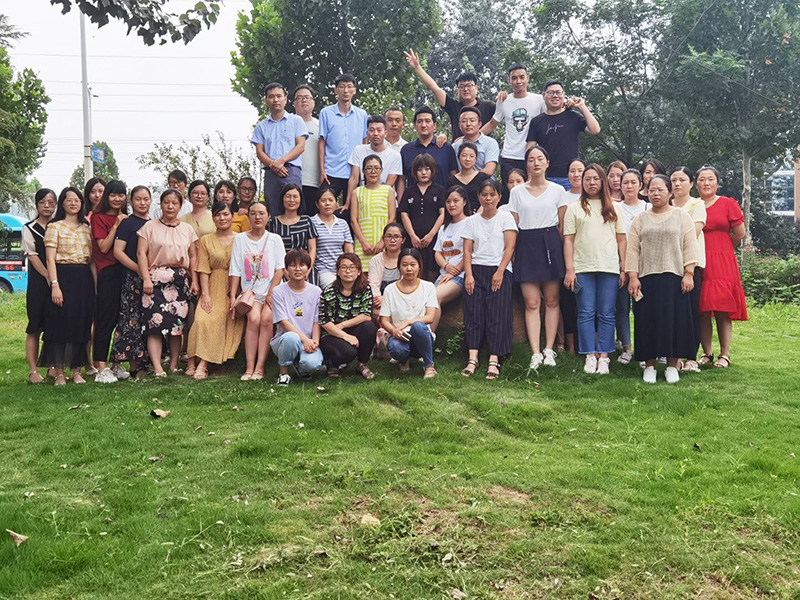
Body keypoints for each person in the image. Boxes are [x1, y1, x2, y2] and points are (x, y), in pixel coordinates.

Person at [627, 175, 699, 384]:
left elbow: (690, 245)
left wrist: (689, 273)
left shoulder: (681, 216)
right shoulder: (640, 219)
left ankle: (671, 366)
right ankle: (649, 366)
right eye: (652, 190)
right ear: (647, 193)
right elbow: (632, 249)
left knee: (674, 322)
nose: (656, 194)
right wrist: (633, 276)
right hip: (646, 278)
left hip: (674, 278)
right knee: (646, 321)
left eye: (660, 190)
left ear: (670, 192)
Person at [563, 163, 626, 375]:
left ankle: (604, 356)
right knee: (585, 312)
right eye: (587, 179)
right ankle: (589, 354)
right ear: (582, 182)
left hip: (609, 267)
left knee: (607, 313)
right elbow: (569, 240)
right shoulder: (574, 208)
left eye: (596, 178)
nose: (591, 183)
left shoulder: (615, 207)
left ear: (603, 181)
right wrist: (570, 269)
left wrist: (624, 268)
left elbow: (622, 239)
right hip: (582, 268)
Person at [509, 146, 568, 369]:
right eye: (531, 159)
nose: (536, 163)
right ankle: (535, 352)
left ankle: (549, 349)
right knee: (532, 302)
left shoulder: (558, 191)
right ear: (526, 164)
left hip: (551, 243)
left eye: (540, 159)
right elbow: (513, 225)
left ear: (547, 163)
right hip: (526, 243)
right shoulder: (517, 192)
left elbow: (562, 226)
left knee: (552, 300)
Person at [137, 189, 199, 377]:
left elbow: (193, 256)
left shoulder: (187, 229)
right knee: (154, 326)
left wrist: (194, 280)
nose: (170, 206)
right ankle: (157, 367)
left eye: (175, 203)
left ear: (180, 206)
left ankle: (173, 365)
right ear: (161, 204)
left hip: (180, 280)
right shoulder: (149, 226)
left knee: (176, 326)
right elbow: (141, 253)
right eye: (166, 202)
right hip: (155, 279)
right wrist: (146, 278)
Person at [461, 179, 518, 379]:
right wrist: (468, 275)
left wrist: (500, 271)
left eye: (492, 194)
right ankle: (473, 358)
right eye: (484, 194)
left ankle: (494, 359)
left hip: (499, 269)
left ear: (499, 197)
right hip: (476, 269)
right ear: (479, 197)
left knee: (498, 314)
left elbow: (510, 247)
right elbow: (467, 250)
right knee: (473, 313)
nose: (488, 198)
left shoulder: (506, 218)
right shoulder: (471, 221)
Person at [40, 187, 95, 385]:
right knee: (60, 324)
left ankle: (77, 371)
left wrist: (95, 285)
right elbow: (50, 259)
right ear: (62, 203)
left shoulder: (86, 227)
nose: (73, 203)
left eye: (77, 200)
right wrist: (55, 285)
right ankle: (60, 373)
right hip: (63, 276)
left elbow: (91, 260)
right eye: (69, 199)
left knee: (81, 324)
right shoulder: (54, 227)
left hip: (83, 278)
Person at [184, 201, 245, 379]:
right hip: (212, 285)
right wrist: (206, 294)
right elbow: (203, 268)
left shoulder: (241, 239)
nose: (222, 218)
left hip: (234, 286)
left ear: (232, 216)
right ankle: (191, 361)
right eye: (218, 215)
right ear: (213, 218)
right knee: (201, 319)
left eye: (226, 214)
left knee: (219, 319)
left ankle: (203, 364)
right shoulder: (206, 240)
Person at [695, 165, 747, 368]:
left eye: (710, 179)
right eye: (702, 179)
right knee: (702, 308)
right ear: (696, 184)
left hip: (722, 260)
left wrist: (724, 249)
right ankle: (707, 353)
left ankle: (725, 354)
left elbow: (740, 233)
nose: (706, 183)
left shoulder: (727, 203)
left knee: (722, 307)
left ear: (717, 183)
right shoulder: (693, 205)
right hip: (698, 259)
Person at [229, 201, 286, 380]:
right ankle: (249, 367)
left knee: (267, 319)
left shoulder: (275, 239)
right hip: (250, 293)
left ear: (268, 217)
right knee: (253, 319)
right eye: (253, 213)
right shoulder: (240, 239)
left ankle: (260, 367)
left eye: (261, 213)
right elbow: (235, 269)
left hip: (272, 291)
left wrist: (271, 293)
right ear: (248, 216)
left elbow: (280, 269)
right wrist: (233, 296)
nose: (257, 217)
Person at [481, 63, 545, 192]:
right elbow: (492, 124)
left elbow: (554, 113)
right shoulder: (504, 101)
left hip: (532, 156)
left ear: (527, 78)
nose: (518, 81)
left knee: (532, 192)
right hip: (509, 156)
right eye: (514, 78)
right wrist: (470, 137)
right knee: (510, 194)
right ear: (509, 80)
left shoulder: (539, 100)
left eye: (522, 77)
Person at [404, 49, 496, 139]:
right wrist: (417, 67)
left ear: (476, 88)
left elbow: (500, 116)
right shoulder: (453, 106)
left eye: (469, 85)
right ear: (457, 90)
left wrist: (469, 138)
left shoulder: (488, 106)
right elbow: (434, 88)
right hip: (458, 148)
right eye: (462, 86)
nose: (466, 89)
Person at [525, 80, 601, 189]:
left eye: (558, 92)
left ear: (563, 94)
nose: (555, 96)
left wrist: (582, 106)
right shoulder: (536, 121)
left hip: (570, 177)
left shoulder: (573, 116)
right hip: (545, 177)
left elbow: (595, 130)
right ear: (544, 95)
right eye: (551, 93)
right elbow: (530, 149)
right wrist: (530, 177)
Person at [91, 180, 131, 383]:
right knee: (105, 320)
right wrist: (116, 225)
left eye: (121, 195)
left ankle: (117, 363)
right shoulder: (98, 218)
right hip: (108, 272)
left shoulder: (128, 218)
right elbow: (104, 247)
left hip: (127, 271)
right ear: (107, 196)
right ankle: (101, 367)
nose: (117, 199)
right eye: (113, 194)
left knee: (122, 320)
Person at [110, 185, 151, 380]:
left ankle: (149, 363)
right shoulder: (127, 223)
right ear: (131, 201)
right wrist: (138, 269)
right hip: (132, 278)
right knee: (131, 320)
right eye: (138, 199)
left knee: (148, 319)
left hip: (151, 278)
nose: (142, 203)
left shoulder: (153, 224)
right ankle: (134, 366)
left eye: (146, 199)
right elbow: (118, 252)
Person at [379, 248, 438, 378]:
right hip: (400, 335)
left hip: (421, 335)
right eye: (404, 265)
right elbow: (385, 320)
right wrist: (394, 331)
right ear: (399, 267)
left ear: (419, 267)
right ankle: (403, 361)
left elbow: (430, 317)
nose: (409, 269)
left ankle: (429, 365)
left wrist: (408, 322)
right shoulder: (390, 289)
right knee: (397, 349)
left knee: (418, 326)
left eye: (413, 265)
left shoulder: (428, 287)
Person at [252, 82, 308, 217]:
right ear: (266, 101)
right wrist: (273, 165)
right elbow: (259, 152)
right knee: (272, 208)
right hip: (270, 172)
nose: (275, 100)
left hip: (291, 170)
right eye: (271, 97)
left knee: (293, 206)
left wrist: (281, 161)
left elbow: (300, 146)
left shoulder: (296, 121)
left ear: (285, 99)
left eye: (279, 96)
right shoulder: (261, 126)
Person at [319, 252, 377, 379]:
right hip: (332, 333)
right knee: (349, 352)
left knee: (369, 327)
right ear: (337, 272)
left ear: (359, 271)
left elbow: (366, 315)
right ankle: (332, 363)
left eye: (352, 267)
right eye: (343, 267)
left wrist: (343, 325)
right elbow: (324, 321)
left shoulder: (365, 289)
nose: (348, 271)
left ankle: (362, 364)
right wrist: (345, 336)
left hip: (349, 327)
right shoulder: (329, 291)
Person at [270, 248, 324, 385]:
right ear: (286, 269)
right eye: (293, 265)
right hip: (284, 340)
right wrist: (305, 340)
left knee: (313, 364)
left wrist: (314, 342)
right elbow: (283, 322)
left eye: (302, 265)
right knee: (291, 338)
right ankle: (284, 374)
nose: (298, 269)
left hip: (308, 341)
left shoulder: (316, 292)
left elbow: (317, 321)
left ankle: (301, 368)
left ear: (308, 268)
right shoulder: (278, 291)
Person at [671, 166, 706, 372]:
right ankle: (674, 356)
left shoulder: (697, 205)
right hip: (669, 266)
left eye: (682, 180)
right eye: (674, 180)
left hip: (691, 265)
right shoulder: (666, 204)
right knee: (673, 313)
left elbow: (693, 233)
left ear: (691, 183)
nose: (677, 184)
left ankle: (691, 356)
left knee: (691, 312)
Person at [318, 73, 369, 213]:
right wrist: (322, 171)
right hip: (331, 170)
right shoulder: (326, 113)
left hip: (354, 172)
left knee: (353, 211)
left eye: (349, 87)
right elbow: (322, 142)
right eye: (341, 87)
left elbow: (365, 142)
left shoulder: (362, 115)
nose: (345, 90)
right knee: (325, 206)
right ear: (336, 90)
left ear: (354, 91)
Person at [614, 168, 648, 364]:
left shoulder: (648, 207)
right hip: (620, 264)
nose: (629, 186)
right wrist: (623, 267)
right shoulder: (615, 207)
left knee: (642, 308)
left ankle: (645, 349)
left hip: (644, 265)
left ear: (640, 185)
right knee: (621, 308)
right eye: (625, 182)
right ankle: (626, 348)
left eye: (633, 182)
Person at [23, 188, 56, 384]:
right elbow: (33, 256)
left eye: (51, 202)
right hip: (38, 284)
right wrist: (48, 277)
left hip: (58, 283)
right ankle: (33, 370)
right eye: (43, 202)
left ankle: (53, 367)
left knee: (54, 325)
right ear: (37, 205)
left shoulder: (58, 226)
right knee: (34, 326)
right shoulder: (29, 228)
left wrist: (56, 281)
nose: (47, 206)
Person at [398, 153, 446, 281]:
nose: (423, 172)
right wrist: (412, 236)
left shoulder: (440, 190)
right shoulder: (409, 191)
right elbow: (404, 213)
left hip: (433, 239)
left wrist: (431, 234)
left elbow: (443, 213)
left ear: (433, 170)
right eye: (419, 169)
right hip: (414, 240)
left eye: (427, 169)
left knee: (432, 273)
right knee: (414, 270)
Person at [432, 185, 472, 332]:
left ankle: (428, 338)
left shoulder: (470, 223)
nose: (452, 205)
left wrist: (454, 272)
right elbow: (438, 252)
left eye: (456, 201)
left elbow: (470, 251)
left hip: (460, 276)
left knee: (434, 297)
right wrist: (446, 267)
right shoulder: (444, 227)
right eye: (448, 201)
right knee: (424, 299)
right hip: (444, 274)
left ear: (464, 202)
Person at [399, 107, 458, 198]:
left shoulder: (446, 148)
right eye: (419, 121)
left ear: (435, 125)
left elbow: (454, 176)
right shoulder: (406, 150)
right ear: (414, 125)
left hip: (442, 202)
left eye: (427, 121)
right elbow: (401, 179)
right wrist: (402, 202)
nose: (423, 125)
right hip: (414, 203)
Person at [352, 155, 397, 272]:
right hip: (363, 243)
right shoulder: (357, 192)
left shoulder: (388, 190)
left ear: (381, 170)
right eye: (369, 168)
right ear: (363, 171)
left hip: (383, 243)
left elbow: (392, 218)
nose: (373, 172)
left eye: (376, 168)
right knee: (363, 275)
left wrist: (382, 242)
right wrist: (363, 243)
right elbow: (353, 220)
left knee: (384, 274)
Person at [346, 115, 402, 202]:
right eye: (372, 130)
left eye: (379, 130)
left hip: (385, 200)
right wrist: (348, 202)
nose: (375, 134)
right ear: (367, 133)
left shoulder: (395, 155)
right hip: (363, 199)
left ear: (385, 133)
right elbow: (354, 178)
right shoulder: (359, 150)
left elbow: (389, 184)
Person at [268, 184, 318, 274]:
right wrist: (285, 272)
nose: (291, 200)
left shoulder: (307, 220)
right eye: (288, 196)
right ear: (282, 199)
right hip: (281, 270)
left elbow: (312, 249)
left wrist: (307, 270)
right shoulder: (274, 222)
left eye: (295, 197)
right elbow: (272, 251)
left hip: (305, 269)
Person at [312, 185, 354, 288]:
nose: (327, 203)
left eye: (331, 200)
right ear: (317, 204)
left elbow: (349, 250)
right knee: (335, 289)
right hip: (322, 270)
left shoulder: (343, 223)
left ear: (336, 203)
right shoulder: (311, 222)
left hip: (342, 269)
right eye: (323, 201)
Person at [293, 84, 321, 213]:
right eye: (299, 98)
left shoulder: (320, 126)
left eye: (307, 97)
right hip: (291, 182)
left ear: (313, 102)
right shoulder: (288, 123)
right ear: (293, 103)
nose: (303, 100)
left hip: (314, 182)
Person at [369, 222, 405, 318]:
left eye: (396, 237)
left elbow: (407, 285)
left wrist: (385, 300)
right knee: (377, 313)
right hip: (378, 301)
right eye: (389, 236)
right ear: (383, 239)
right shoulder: (375, 260)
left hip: (401, 299)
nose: (392, 240)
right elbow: (373, 284)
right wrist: (379, 300)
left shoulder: (407, 258)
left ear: (403, 240)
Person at [451, 107, 500, 175]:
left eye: (472, 120)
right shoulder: (455, 146)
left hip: (485, 181)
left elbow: (489, 170)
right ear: (459, 126)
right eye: (464, 121)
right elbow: (453, 170)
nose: (468, 124)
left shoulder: (490, 143)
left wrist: (470, 180)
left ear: (479, 124)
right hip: (462, 181)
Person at [447, 142, 491, 213]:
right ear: (459, 158)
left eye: (471, 156)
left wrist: (477, 216)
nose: (467, 159)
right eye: (464, 156)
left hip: (480, 215)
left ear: (475, 159)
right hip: (458, 216)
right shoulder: (451, 181)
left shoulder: (483, 178)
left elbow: (488, 198)